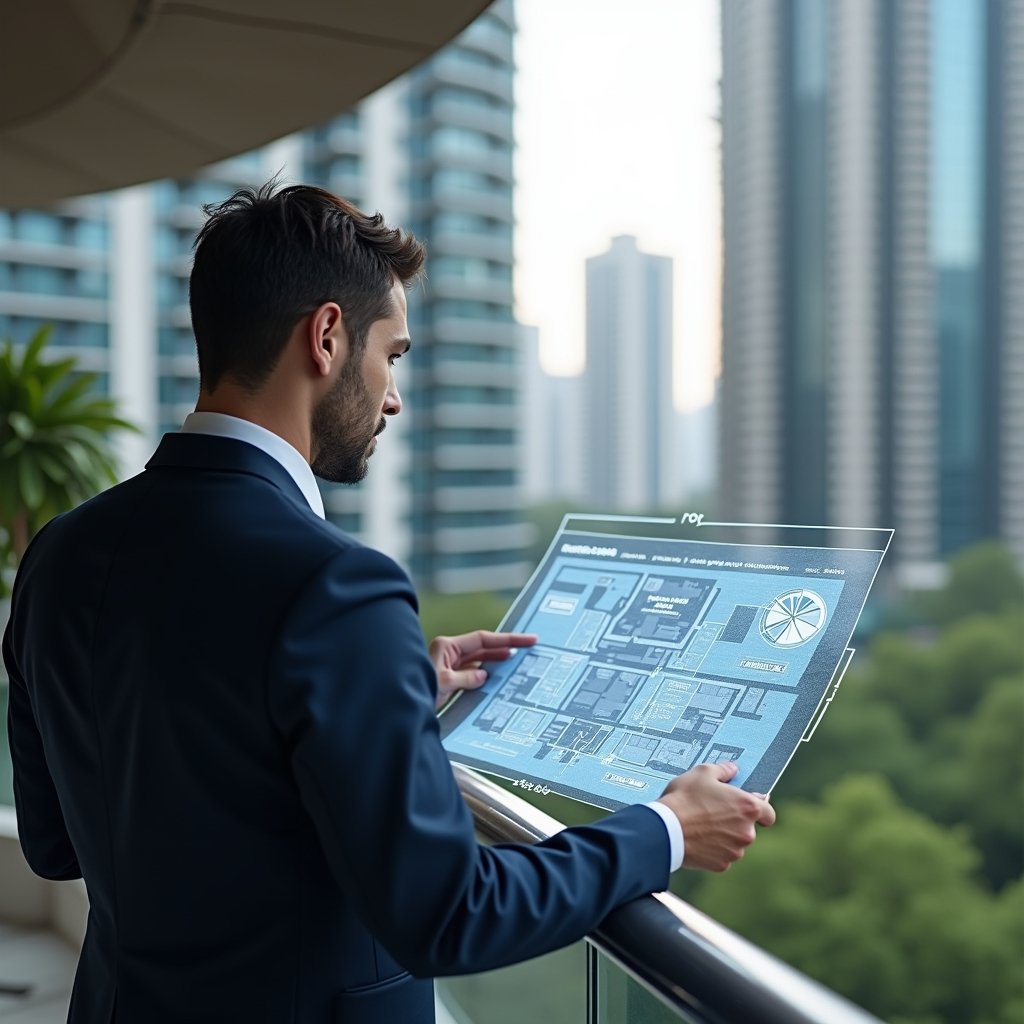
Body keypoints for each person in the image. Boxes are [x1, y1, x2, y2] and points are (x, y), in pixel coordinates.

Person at [4, 182, 775, 1024]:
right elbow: (451, 913)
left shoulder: (61, 551)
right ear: (327, 337)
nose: (394, 397)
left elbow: (56, 842)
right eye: (394, 356)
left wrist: (385, 686)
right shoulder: (335, 585)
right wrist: (667, 827)